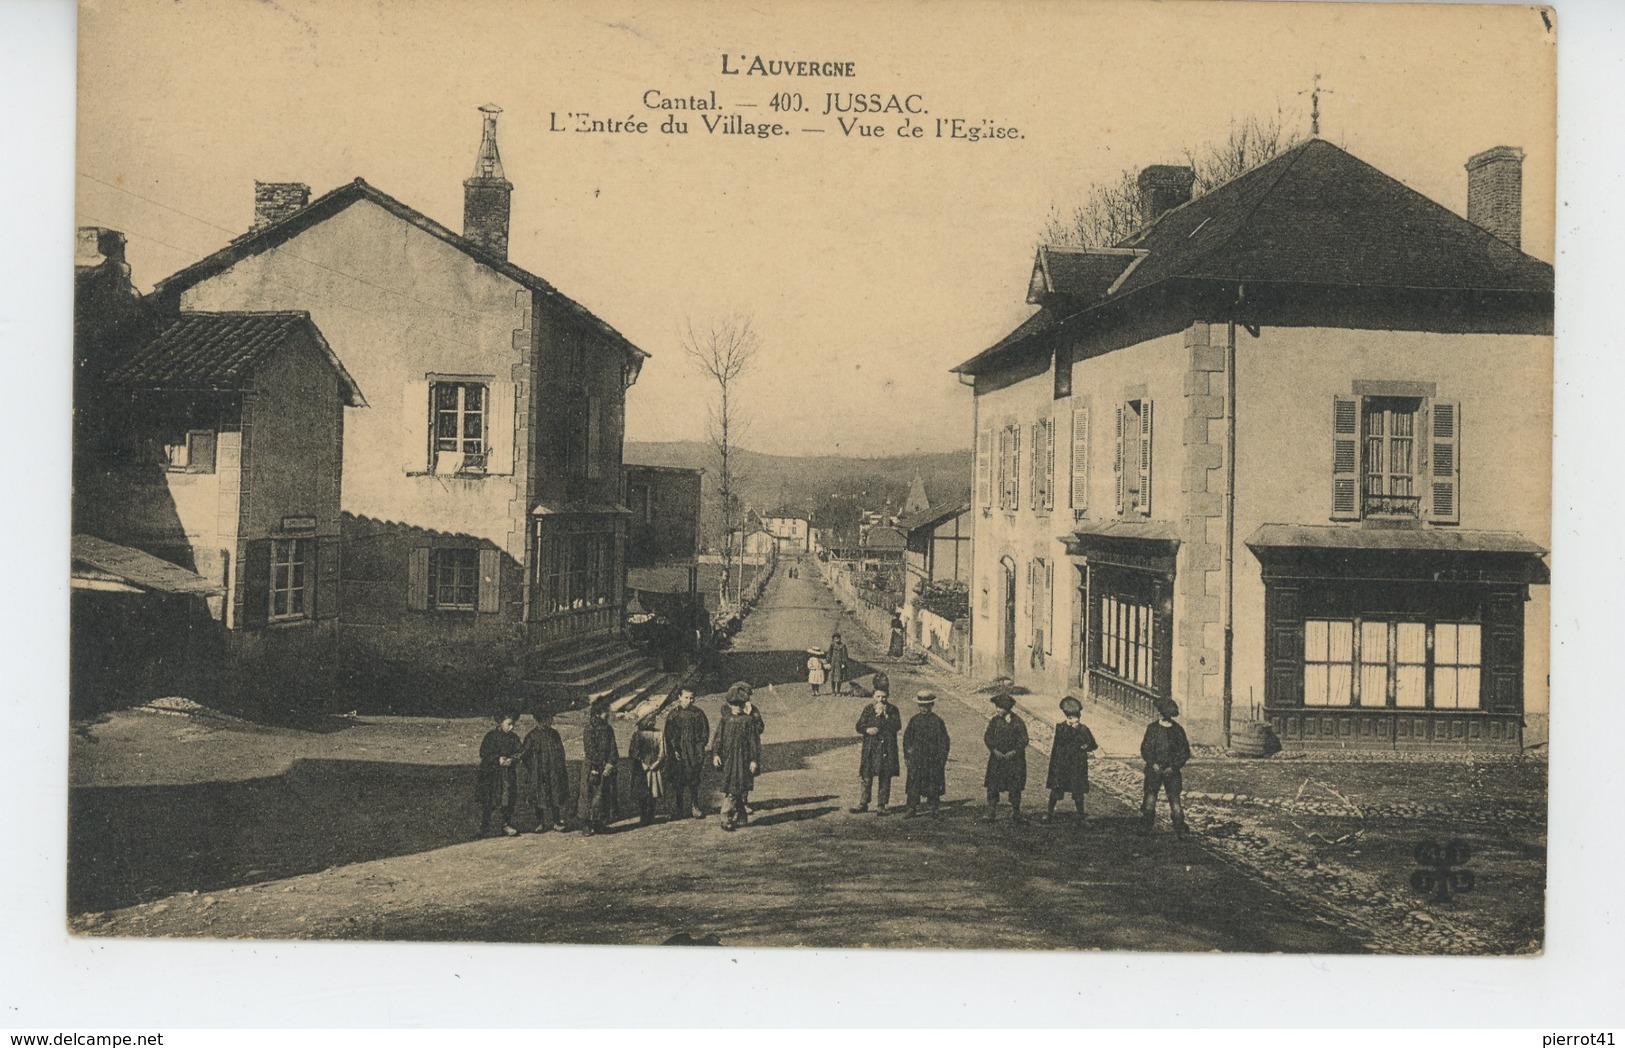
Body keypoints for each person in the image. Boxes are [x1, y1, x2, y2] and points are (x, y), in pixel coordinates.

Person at [711, 682, 761, 831]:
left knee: (736, 789)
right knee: (734, 787)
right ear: (729, 705)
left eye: (740, 705)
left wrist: (754, 760)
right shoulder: (725, 720)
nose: (737, 708)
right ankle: (742, 816)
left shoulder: (748, 720)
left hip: (744, 760)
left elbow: (754, 742)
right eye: (734, 705)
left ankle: (725, 817)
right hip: (729, 760)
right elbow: (718, 738)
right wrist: (715, 754)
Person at [1043, 695, 1099, 826]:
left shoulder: (1084, 729)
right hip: (1062, 764)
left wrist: (1085, 746)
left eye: (1075, 718)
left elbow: (1093, 744)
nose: (1073, 720)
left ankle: (1081, 817)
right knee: (1056, 790)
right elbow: (1062, 741)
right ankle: (1049, 814)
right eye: (1070, 718)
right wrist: (1071, 728)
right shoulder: (1061, 728)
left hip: (1077, 765)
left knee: (1078, 792)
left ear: (1079, 717)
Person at [1140, 698, 1192, 837]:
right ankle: (1177, 829)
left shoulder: (1160, 729)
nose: (1160, 714)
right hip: (1161, 770)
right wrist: (1157, 764)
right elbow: (1145, 749)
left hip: (1165, 770)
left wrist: (1169, 767)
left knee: (1166, 798)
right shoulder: (1171, 729)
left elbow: (1184, 752)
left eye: (1161, 712)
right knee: (1159, 798)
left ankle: (1151, 827)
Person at [850, 689, 902, 814]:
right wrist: (867, 730)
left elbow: (897, 726)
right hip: (871, 748)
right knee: (867, 775)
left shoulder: (893, 710)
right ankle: (863, 803)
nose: (881, 700)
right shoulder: (868, 709)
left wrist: (886, 716)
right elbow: (859, 726)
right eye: (878, 696)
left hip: (887, 747)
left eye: (883, 697)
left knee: (885, 776)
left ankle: (882, 804)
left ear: (888, 696)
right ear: (873, 696)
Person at [519, 707, 571, 832]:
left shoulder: (554, 734)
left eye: (551, 717)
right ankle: (540, 823)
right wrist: (532, 768)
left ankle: (556, 821)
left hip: (553, 771)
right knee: (539, 797)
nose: (551, 720)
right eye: (548, 717)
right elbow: (524, 755)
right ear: (539, 719)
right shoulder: (532, 736)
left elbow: (561, 752)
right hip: (539, 773)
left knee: (555, 795)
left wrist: (560, 767)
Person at [662, 687, 710, 819]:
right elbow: (668, 734)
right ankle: (679, 808)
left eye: (692, 698)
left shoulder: (698, 714)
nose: (689, 700)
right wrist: (674, 750)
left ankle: (695, 805)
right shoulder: (674, 715)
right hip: (679, 753)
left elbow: (704, 733)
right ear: (679, 697)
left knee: (694, 779)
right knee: (678, 780)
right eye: (686, 697)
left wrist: (700, 748)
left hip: (693, 752)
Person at [902, 690, 950, 818]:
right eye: (921, 705)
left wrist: (942, 758)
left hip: (932, 759)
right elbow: (907, 739)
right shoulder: (914, 720)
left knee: (933, 783)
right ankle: (911, 808)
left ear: (932, 705)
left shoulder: (937, 721)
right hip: (917, 758)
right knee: (914, 783)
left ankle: (934, 808)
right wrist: (907, 755)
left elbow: (944, 741)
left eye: (926, 705)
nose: (923, 708)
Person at [983, 692, 1029, 824]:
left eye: (1000, 708)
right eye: (997, 707)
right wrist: (994, 749)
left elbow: (1024, 740)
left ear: (1008, 709)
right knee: (993, 785)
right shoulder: (994, 721)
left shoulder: (1018, 722)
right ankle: (991, 810)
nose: (998, 710)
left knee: (1015, 786)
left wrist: (1014, 752)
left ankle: (1016, 811)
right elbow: (988, 737)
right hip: (997, 759)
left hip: (1014, 761)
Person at [476, 710, 523, 837]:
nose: (511, 727)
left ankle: (506, 824)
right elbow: (484, 753)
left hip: (507, 774)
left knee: (507, 799)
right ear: (500, 723)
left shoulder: (514, 738)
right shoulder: (491, 736)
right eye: (508, 724)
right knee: (489, 799)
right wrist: (497, 759)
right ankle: (485, 826)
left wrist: (512, 760)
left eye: (513, 724)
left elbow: (519, 752)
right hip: (492, 774)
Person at [577, 697, 620, 836]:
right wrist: (600, 765)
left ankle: (599, 823)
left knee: (603, 796)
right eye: (604, 712)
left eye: (607, 711)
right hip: (592, 767)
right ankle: (586, 825)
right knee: (588, 795)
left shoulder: (608, 729)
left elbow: (613, 748)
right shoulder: (589, 729)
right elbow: (590, 750)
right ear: (596, 713)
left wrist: (610, 763)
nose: (607, 714)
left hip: (605, 767)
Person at [628, 711, 667, 826]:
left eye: (654, 719)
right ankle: (643, 814)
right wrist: (642, 763)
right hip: (641, 768)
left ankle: (651, 814)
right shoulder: (638, 735)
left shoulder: (659, 733)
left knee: (653, 792)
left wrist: (658, 762)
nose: (652, 721)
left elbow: (662, 750)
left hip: (654, 767)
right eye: (650, 719)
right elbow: (633, 752)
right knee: (642, 792)